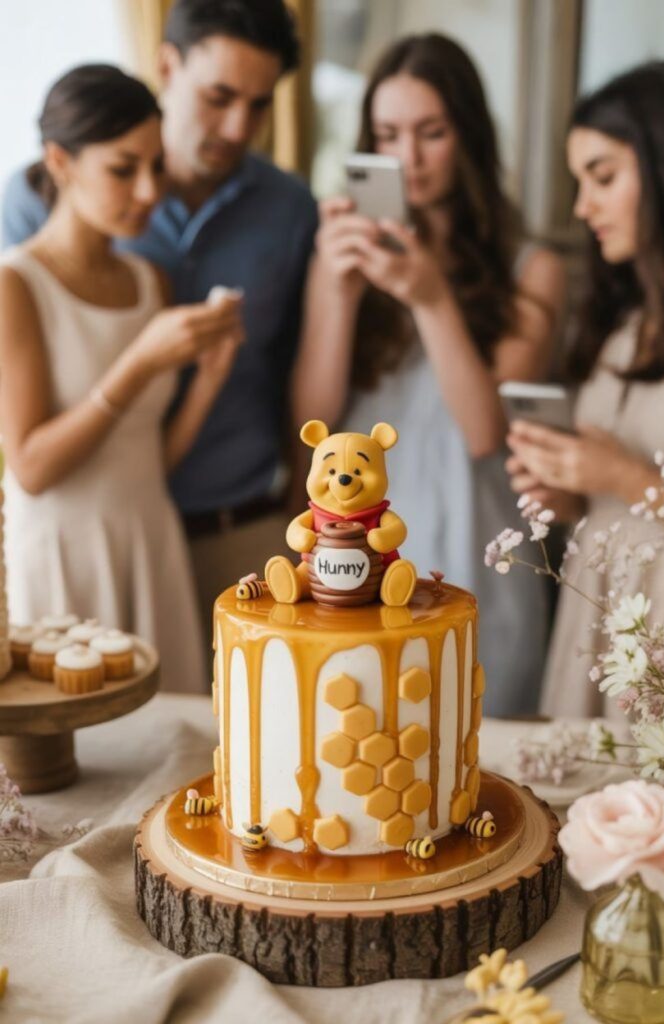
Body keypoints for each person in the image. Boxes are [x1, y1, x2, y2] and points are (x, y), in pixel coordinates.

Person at [2, 0, 318, 648]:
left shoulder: (277, 215)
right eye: (219, 96)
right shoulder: (23, 238)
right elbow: (26, 453)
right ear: (167, 67)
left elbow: (291, 379)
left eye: (259, 105)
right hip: (67, 546)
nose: (237, 125)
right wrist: (143, 360)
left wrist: (208, 380)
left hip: (198, 531)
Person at [292, 34, 565, 715]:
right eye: (386, 134)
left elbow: (484, 434)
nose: (406, 159)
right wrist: (337, 291)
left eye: (430, 133)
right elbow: (310, 423)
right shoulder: (344, 253)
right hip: (361, 545)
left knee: (477, 751)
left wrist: (429, 296)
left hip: (482, 545)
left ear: (466, 134)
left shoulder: (533, 267)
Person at [0, 64, 244, 692]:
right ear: (60, 161)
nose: (148, 190)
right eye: (122, 167)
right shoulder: (16, 286)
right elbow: (29, 466)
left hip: (149, 538)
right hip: (62, 558)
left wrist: (210, 378)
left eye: (156, 165)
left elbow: (149, 456)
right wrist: (139, 363)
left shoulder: (149, 283)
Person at [506, 62, 664, 718]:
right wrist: (573, 491)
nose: (582, 207)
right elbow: (611, 498)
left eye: (602, 177)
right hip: (598, 613)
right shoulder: (618, 322)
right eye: (578, 182)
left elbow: (641, 483)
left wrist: (620, 472)